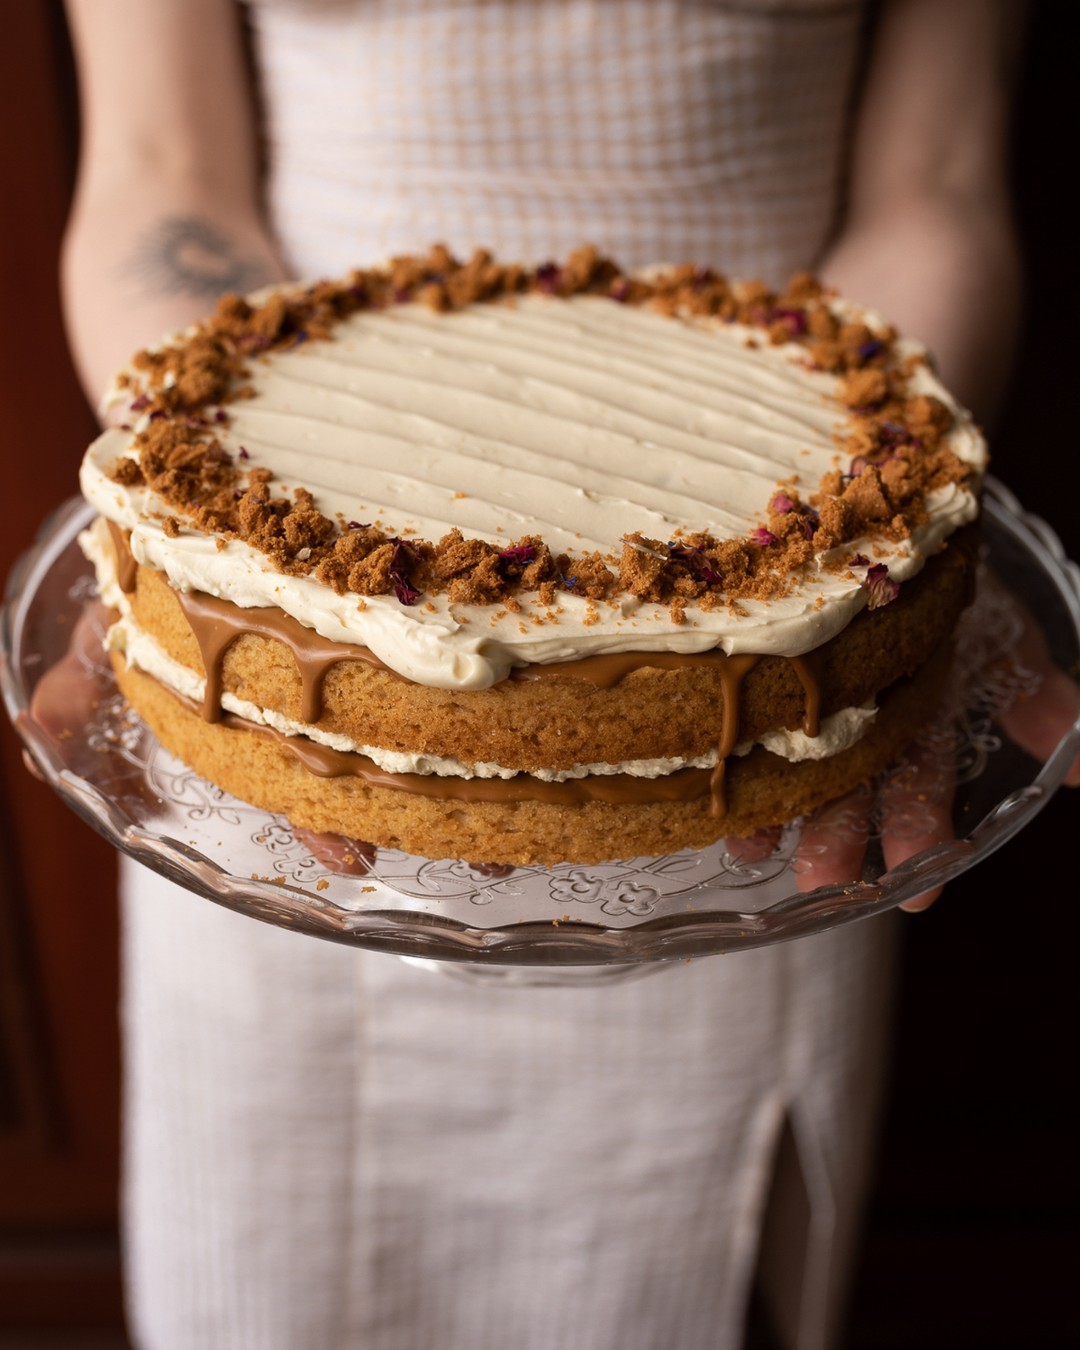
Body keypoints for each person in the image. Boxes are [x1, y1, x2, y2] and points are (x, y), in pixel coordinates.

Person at [58, 3, 1062, 1348]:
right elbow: (163, 169)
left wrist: (889, 544)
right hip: (288, 628)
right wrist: (213, 549)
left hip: (768, 721)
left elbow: (933, 184)